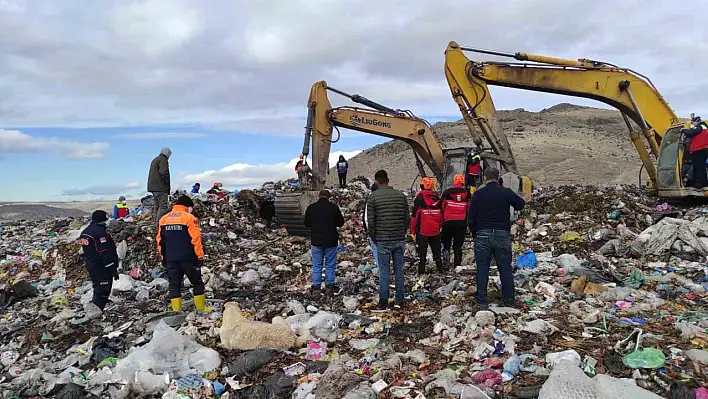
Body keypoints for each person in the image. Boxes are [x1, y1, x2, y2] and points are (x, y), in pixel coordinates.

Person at [468, 167, 525, 309]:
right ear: (498, 177)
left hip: (483, 234)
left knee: (482, 268)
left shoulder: (478, 194)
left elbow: (471, 217)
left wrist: (475, 232)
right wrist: (506, 190)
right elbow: (520, 204)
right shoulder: (505, 192)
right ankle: (509, 299)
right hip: (502, 234)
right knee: (504, 267)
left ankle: (481, 300)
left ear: (485, 178)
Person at [157, 195, 208, 312]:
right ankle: (201, 308)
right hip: (188, 257)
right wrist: (199, 256)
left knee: (174, 284)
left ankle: (177, 310)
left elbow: (160, 240)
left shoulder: (164, 219)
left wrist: (163, 257)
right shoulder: (189, 218)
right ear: (187, 206)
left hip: (171, 258)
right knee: (197, 282)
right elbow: (195, 239)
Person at [367, 170, 409, 311]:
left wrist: (374, 238)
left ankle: (383, 302)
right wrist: (402, 233)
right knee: (399, 270)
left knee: (384, 271)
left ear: (376, 181)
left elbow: (371, 222)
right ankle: (399, 300)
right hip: (398, 239)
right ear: (388, 180)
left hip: (383, 240)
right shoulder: (401, 196)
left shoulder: (373, 198)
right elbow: (406, 219)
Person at [80, 210, 119, 319]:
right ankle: (95, 313)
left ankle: (94, 310)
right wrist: (112, 268)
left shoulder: (85, 232)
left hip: (91, 264)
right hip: (101, 267)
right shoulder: (100, 233)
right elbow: (104, 253)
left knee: (98, 287)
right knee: (103, 289)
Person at [304, 190, 344, 295]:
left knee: (317, 265)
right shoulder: (333, 207)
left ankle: (316, 287)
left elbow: (306, 223)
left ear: (319, 196)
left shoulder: (311, 208)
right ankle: (329, 287)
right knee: (330, 264)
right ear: (329, 197)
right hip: (331, 240)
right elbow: (340, 222)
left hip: (316, 240)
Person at [411, 177, 443, 275]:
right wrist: (439, 226)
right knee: (437, 252)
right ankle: (441, 270)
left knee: (422, 254)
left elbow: (414, 216)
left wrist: (412, 231)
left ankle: (421, 272)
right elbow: (441, 215)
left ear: (421, 186)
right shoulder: (436, 198)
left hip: (422, 230)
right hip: (435, 230)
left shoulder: (419, 198)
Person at [441, 174, 470, 267]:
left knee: (446, 244)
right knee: (458, 246)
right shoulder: (467, 193)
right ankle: (457, 265)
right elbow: (469, 209)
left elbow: (441, 207)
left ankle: (446, 263)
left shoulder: (447, 193)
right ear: (462, 182)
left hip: (448, 222)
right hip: (461, 223)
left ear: (454, 181)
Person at [681, 115, 708, 189]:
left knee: (697, 167)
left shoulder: (701, 126)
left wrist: (683, 130)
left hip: (699, 149)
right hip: (703, 149)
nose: (693, 125)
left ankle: (698, 183)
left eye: (693, 123)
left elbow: (691, 132)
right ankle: (704, 183)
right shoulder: (704, 128)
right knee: (701, 167)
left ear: (697, 121)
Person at [147, 147, 172, 225]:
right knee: (163, 206)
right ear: (167, 154)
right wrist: (167, 185)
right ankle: (159, 223)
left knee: (157, 206)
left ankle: (155, 221)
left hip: (153, 187)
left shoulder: (155, 160)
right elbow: (164, 173)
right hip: (161, 187)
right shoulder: (163, 160)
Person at [362, 182, 379, 268]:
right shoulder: (384, 198)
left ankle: (381, 271)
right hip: (387, 231)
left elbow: (366, 218)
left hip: (374, 231)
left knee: (376, 250)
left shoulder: (370, 200)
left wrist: (368, 230)